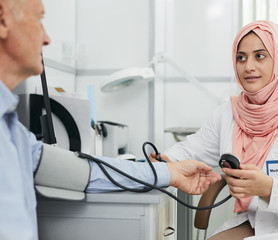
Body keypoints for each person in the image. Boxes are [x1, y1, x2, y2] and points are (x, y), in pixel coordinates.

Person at [0, 0, 221, 239]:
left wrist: (169, 172)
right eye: (39, 20)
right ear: (3, 19)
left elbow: (86, 171)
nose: (47, 39)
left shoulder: (15, 134)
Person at [151, 20, 278, 239]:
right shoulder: (229, 113)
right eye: (241, 57)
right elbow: (192, 149)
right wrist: (163, 161)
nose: (248, 66)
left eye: (260, 55)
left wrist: (268, 188)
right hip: (259, 220)